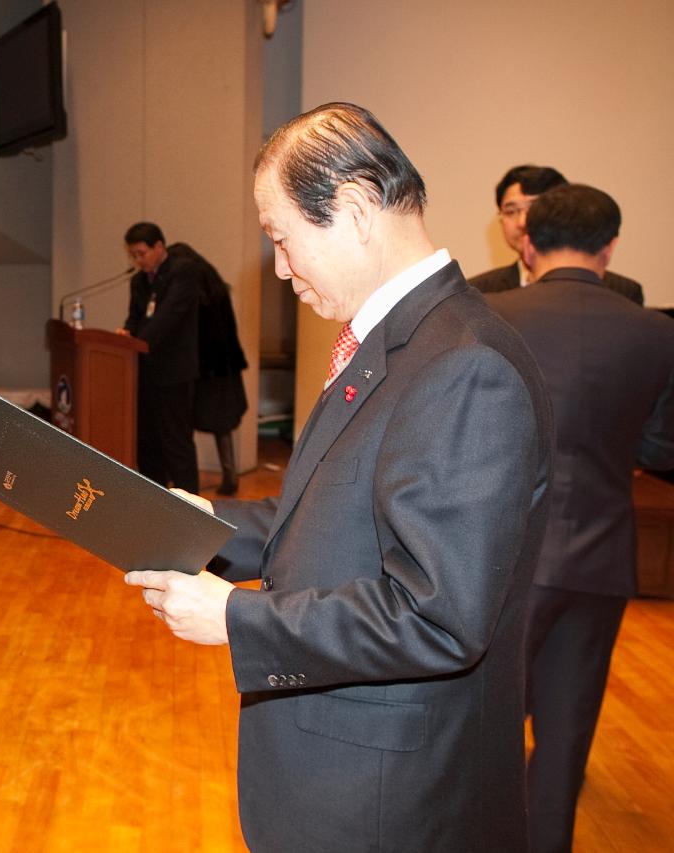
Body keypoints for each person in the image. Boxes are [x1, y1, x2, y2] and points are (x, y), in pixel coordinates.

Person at [124, 103, 553, 852]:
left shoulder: (464, 365)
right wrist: (205, 520)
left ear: (355, 208)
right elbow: (332, 511)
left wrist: (235, 618)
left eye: (284, 240)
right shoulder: (398, 340)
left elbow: (436, 616)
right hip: (342, 773)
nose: (282, 269)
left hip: (389, 802)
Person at [485, 184, 674, 853]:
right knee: (565, 739)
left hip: (504, 557)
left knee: (484, 728)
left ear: (529, 240)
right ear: (611, 245)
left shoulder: (491, 315)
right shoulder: (657, 331)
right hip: (601, 556)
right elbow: (661, 448)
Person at [467, 164, 644, 304]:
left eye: (533, 208)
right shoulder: (478, 291)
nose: (522, 222)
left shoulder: (622, 291)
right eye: (511, 211)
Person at [119, 222, 200, 492]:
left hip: (175, 373)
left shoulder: (183, 272)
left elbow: (168, 318)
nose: (138, 260)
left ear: (159, 247)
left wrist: (137, 339)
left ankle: (192, 509)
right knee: (148, 442)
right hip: (144, 372)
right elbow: (135, 318)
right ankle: (153, 503)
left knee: (176, 443)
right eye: (133, 255)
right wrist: (125, 333)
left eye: (141, 253)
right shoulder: (138, 281)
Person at [167, 242, 249, 495]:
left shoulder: (192, 288)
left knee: (183, 422)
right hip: (225, 366)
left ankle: (181, 479)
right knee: (221, 426)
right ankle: (230, 476)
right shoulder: (214, 285)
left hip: (204, 368)